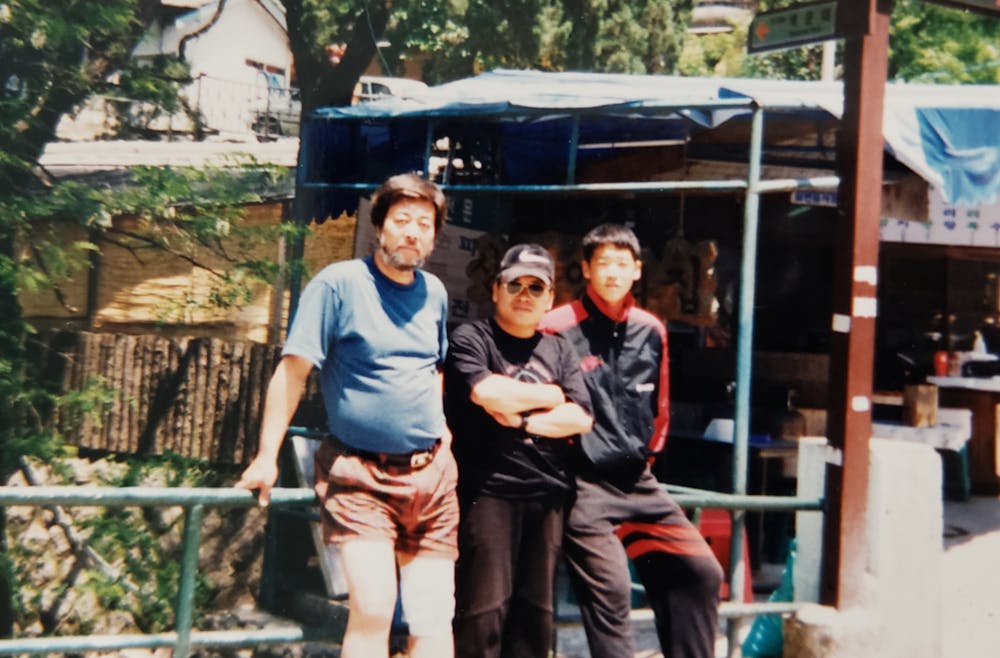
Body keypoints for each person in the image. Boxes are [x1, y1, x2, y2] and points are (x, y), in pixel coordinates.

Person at [236, 173, 458, 658]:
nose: (412, 232)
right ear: (378, 226)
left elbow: (433, 368)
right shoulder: (338, 284)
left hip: (433, 476)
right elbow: (293, 372)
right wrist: (266, 456)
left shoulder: (435, 293)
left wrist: (442, 435)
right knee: (374, 608)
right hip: (361, 475)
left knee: (432, 614)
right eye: (401, 220)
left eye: (425, 224)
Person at [539, 223, 724, 658]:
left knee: (701, 572)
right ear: (586, 269)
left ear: (638, 271)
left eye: (623, 264)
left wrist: (646, 457)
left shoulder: (651, 328)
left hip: (637, 480)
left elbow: (660, 407)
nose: (613, 273)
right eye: (603, 263)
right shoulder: (555, 327)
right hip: (580, 483)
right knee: (614, 591)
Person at [444, 244, 594, 658]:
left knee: (535, 615)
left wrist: (524, 419)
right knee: (483, 610)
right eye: (515, 285)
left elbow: (581, 417)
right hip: (487, 491)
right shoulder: (472, 338)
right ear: (496, 289)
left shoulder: (560, 348)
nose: (524, 295)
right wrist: (549, 394)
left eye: (536, 287)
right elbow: (486, 391)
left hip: (547, 494)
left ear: (550, 298)